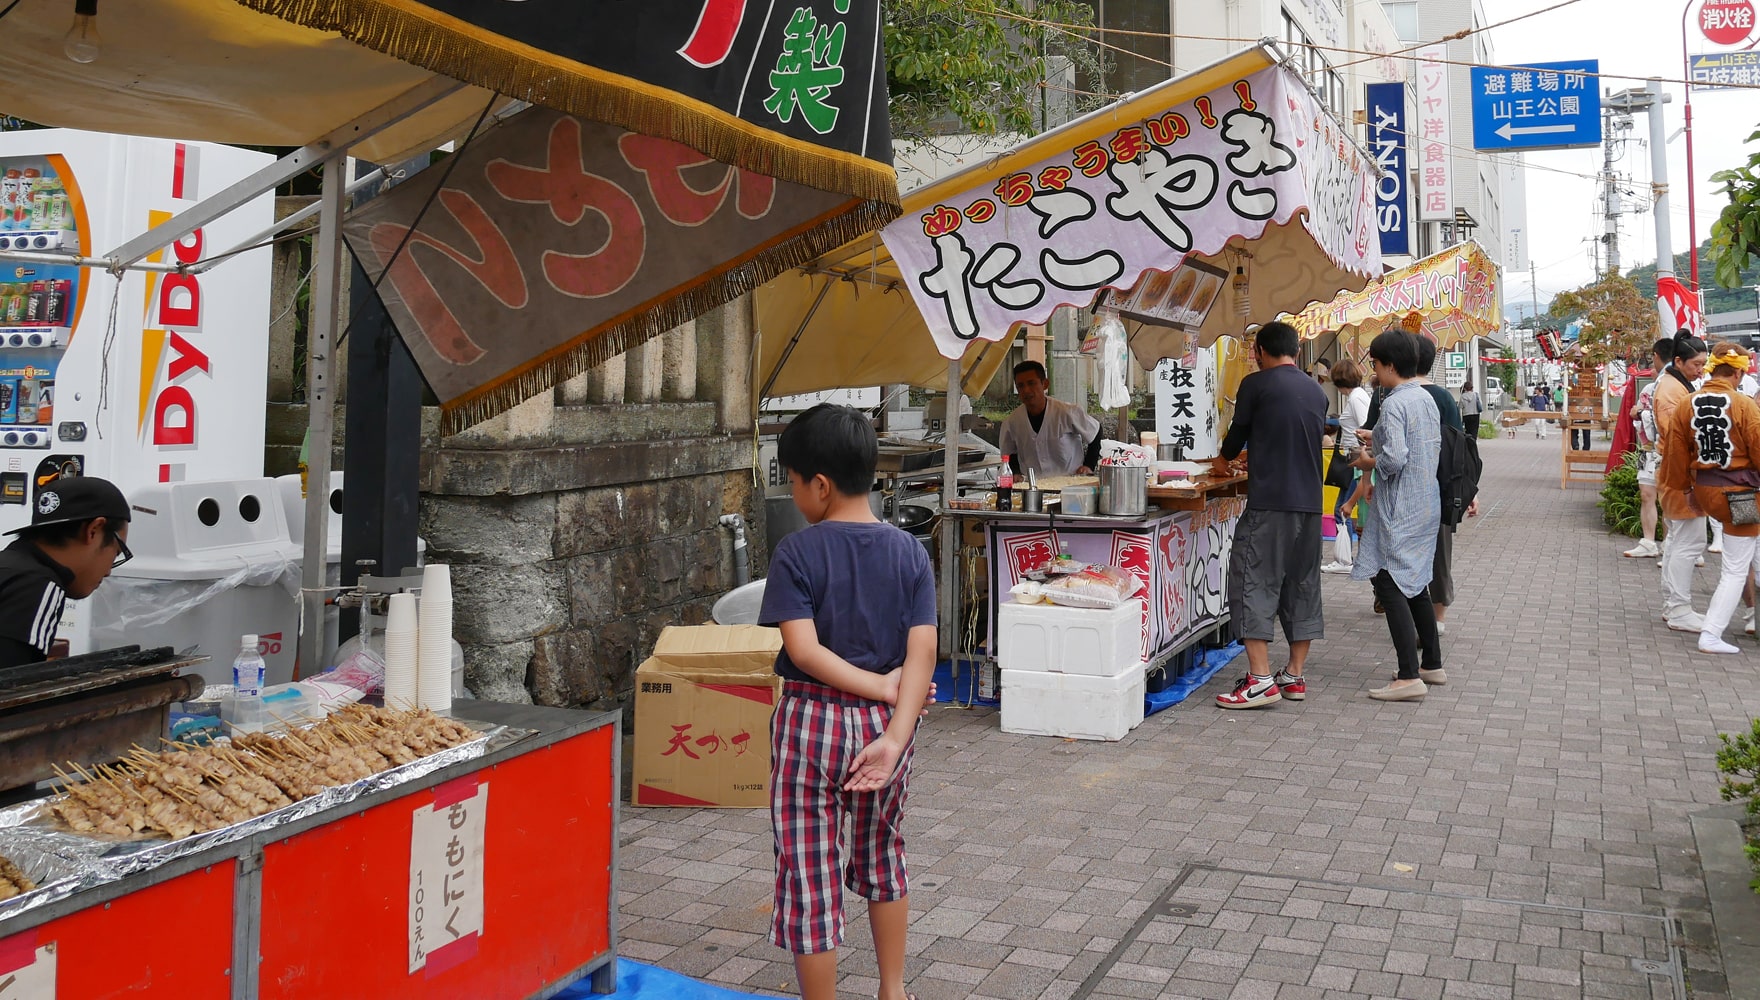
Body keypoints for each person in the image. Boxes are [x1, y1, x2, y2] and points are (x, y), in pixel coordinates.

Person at [757, 404, 936, 1000]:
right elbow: (923, 657)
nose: (792, 491)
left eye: (790, 479)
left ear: (820, 485)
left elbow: (804, 652)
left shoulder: (796, 553)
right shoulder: (911, 552)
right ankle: (893, 990)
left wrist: (879, 685)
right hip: (885, 731)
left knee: (810, 872)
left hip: (810, 723)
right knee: (883, 853)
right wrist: (895, 727)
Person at [1212, 321, 1328, 709]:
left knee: (1252, 579)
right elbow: (1288, 436)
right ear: (1295, 350)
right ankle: (1294, 676)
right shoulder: (1315, 389)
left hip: (1271, 504)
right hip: (1311, 504)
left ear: (1261, 350)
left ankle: (1260, 679)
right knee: (1303, 584)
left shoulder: (1256, 384)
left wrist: (1223, 461)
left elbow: (1237, 434)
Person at [1351, 330, 1443, 700]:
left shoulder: (1392, 403)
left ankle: (1409, 675)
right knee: (1415, 580)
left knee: (1389, 583)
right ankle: (1431, 664)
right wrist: (1379, 440)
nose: (1374, 371)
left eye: (1374, 364)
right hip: (1425, 501)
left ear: (1389, 365)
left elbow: (1394, 459)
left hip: (1400, 505)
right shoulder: (1426, 397)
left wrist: (1366, 459)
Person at [1658, 343, 1760, 654]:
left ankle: (1750, 618)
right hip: (1741, 495)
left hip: (1706, 489)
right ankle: (1712, 634)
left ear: (1712, 368)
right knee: (1734, 568)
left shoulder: (1688, 403)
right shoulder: (1743, 405)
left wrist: (1685, 490)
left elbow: (1675, 454)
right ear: (1739, 372)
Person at [0, 476, 133, 668]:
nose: (107, 572)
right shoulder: (37, 585)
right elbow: (11, 689)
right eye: (116, 553)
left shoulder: (10, 568)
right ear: (93, 530)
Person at [1413, 336, 1472, 635]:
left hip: (1406, 489)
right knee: (1439, 554)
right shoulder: (1444, 398)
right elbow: (1460, 448)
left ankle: (1416, 614)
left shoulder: (1388, 394)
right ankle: (1437, 618)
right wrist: (1468, 490)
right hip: (1440, 487)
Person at [1657, 330, 1711, 632]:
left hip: (1675, 469)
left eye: (1703, 364)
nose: (1700, 369)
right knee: (1688, 543)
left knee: (1680, 541)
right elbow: (1676, 437)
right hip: (1678, 471)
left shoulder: (1676, 384)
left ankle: (1675, 606)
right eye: (1696, 364)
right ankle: (1678, 608)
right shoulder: (1670, 389)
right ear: (1678, 361)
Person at [998, 361, 1101, 478]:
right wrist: (1015, 472)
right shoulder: (1012, 422)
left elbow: (1096, 431)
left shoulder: (1067, 412)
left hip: (1070, 484)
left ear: (1045, 384)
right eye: (1020, 386)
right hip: (1033, 486)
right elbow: (1009, 453)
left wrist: (1089, 465)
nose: (1026, 390)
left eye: (1031, 383)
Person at [1623, 337, 1677, 559]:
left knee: (1666, 496)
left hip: (1668, 448)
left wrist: (1640, 412)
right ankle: (1648, 541)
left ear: (1656, 356)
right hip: (1648, 448)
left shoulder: (1674, 384)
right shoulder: (1651, 386)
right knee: (1647, 493)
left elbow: (1660, 417)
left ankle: (1668, 543)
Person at [1321, 358, 1371, 575]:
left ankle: (1344, 559)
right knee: (1342, 508)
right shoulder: (1357, 396)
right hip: (1352, 458)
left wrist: (1360, 450)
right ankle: (1344, 558)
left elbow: (1365, 427)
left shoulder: (1357, 398)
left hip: (1355, 459)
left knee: (1343, 508)